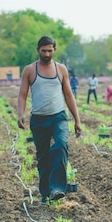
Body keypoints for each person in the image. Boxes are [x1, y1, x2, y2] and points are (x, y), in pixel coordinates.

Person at [17, 35, 82, 205]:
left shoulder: (61, 69)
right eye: (43, 50)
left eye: (50, 50)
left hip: (58, 117)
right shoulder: (30, 70)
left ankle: (58, 188)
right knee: (43, 156)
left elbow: (68, 95)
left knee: (61, 146)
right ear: (38, 50)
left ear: (54, 50)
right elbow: (22, 94)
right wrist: (20, 114)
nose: (47, 53)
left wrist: (77, 119)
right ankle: (46, 194)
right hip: (38, 119)